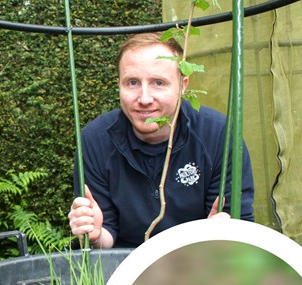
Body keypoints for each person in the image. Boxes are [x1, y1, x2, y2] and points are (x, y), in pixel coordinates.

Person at [68, 32, 254, 249]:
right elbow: (105, 239)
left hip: (198, 262)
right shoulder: (95, 140)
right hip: (123, 269)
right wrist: (95, 233)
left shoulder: (218, 135)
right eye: (133, 82)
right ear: (119, 85)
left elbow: (240, 225)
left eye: (158, 83)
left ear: (183, 85)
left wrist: (219, 234)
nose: (145, 99)